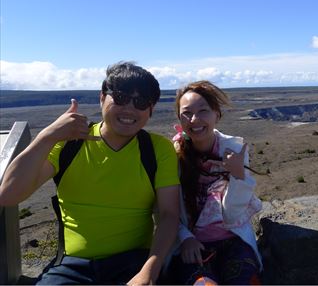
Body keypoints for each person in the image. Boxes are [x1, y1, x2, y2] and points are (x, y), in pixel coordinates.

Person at [0, 61, 180, 285]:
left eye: (141, 102)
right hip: (71, 266)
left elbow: (169, 215)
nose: (130, 109)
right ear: (102, 97)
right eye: (121, 97)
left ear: (151, 110)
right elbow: (8, 194)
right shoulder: (69, 144)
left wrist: (148, 273)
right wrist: (47, 136)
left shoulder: (157, 149)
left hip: (134, 263)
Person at [163, 80, 262, 285]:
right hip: (192, 244)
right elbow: (166, 208)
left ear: (217, 114)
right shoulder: (173, 154)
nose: (194, 119)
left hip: (232, 240)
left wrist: (238, 176)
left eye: (203, 111)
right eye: (187, 113)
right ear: (179, 118)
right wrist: (185, 238)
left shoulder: (234, 149)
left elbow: (232, 214)